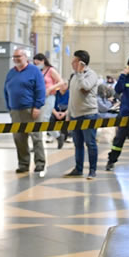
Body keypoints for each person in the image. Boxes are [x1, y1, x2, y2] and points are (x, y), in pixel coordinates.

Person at [4, 47, 46, 174]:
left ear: (25, 57)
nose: (16, 59)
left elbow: (40, 90)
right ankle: (23, 164)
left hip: (31, 109)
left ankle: (40, 163)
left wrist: (37, 106)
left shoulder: (34, 71)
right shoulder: (11, 72)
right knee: (19, 138)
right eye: (14, 57)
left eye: (19, 57)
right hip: (15, 110)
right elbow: (6, 90)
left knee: (36, 137)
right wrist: (9, 107)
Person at [65, 50, 100, 179]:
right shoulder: (74, 76)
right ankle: (78, 169)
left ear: (81, 63)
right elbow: (71, 97)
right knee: (77, 143)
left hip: (88, 114)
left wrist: (80, 73)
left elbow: (84, 87)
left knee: (90, 143)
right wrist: (69, 114)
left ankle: (92, 170)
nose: (72, 63)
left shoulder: (91, 75)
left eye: (74, 61)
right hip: (75, 115)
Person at [33, 54, 66, 131]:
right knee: (38, 118)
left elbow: (61, 82)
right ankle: (52, 135)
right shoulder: (38, 71)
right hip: (40, 97)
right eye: (35, 64)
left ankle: (55, 135)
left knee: (45, 118)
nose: (37, 65)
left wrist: (50, 88)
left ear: (43, 61)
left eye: (38, 63)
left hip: (49, 96)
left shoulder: (51, 70)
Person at [49, 81, 70, 149]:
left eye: (65, 84)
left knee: (68, 117)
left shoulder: (70, 94)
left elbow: (71, 106)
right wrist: (56, 113)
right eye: (62, 84)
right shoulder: (55, 93)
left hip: (65, 112)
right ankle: (52, 135)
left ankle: (66, 136)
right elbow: (50, 105)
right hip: (56, 112)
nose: (63, 85)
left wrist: (64, 113)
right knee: (50, 118)